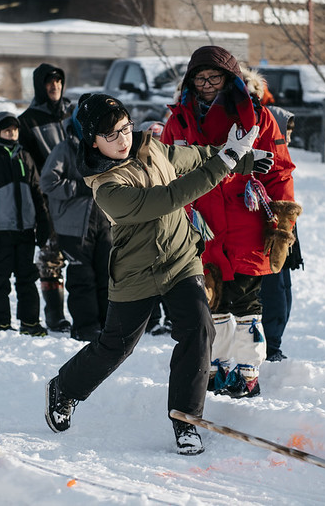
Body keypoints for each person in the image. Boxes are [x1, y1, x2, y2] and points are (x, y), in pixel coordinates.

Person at [44, 93, 266, 455]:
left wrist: (241, 160)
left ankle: (186, 420)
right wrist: (226, 161)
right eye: (111, 135)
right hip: (136, 271)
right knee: (116, 346)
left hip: (181, 258)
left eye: (126, 128)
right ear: (93, 141)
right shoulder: (107, 186)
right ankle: (64, 388)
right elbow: (167, 198)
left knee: (199, 328)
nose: (123, 139)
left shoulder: (153, 148)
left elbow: (197, 156)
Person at [161, 45, 300, 398]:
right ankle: (218, 371)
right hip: (199, 224)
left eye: (214, 77)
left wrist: (282, 225)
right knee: (211, 302)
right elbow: (164, 169)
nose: (207, 84)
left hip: (246, 222)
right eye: (200, 78)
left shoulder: (257, 116)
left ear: (230, 78)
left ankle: (248, 374)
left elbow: (280, 170)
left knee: (246, 302)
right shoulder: (179, 119)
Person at [40, 94, 111, 342]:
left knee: (106, 275)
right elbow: (48, 182)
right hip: (73, 225)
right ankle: (85, 326)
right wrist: (79, 188)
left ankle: (106, 325)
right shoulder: (64, 148)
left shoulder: (109, 145)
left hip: (104, 220)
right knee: (82, 278)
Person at [0, 111, 50, 337]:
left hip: (25, 230)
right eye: (7, 130)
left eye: (15, 130)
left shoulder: (24, 157)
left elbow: (37, 191)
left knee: (27, 278)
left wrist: (43, 220)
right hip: (0, 231)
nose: (12, 134)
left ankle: (30, 322)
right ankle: (0, 324)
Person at [19, 63, 72, 333]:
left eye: (59, 82)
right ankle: (55, 315)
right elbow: (29, 167)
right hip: (48, 197)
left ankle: (90, 312)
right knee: (52, 255)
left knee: (85, 256)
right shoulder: (27, 121)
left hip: (80, 194)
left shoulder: (73, 112)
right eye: (49, 83)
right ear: (40, 86)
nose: (55, 87)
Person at [259, 106, 302, 362]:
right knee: (274, 293)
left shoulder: (280, 152)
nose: (288, 138)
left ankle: (273, 344)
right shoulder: (265, 153)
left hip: (282, 226)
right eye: (285, 132)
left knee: (283, 292)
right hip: (266, 229)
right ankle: (269, 347)